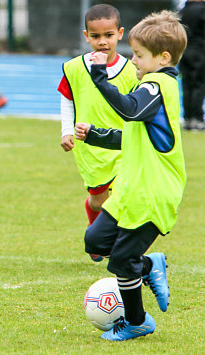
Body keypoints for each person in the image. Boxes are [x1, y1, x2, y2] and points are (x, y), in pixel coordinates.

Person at [75, 10, 187, 341]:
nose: (133, 60)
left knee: (122, 260)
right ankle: (150, 266)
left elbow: (129, 108)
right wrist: (96, 135)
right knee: (95, 241)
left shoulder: (158, 84)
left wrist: (99, 79)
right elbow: (133, 135)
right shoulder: (150, 86)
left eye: (139, 55)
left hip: (154, 191)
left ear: (163, 57)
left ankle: (137, 321)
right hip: (131, 189)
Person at [57, 4, 137, 255]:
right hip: (89, 146)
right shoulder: (75, 68)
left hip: (123, 144)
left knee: (124, 196)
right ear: (86, 36)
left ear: (120, 33)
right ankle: (95, 232)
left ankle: (117, 244)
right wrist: (66, 131)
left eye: (108, 35)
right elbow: (67, 99)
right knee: (99, 199)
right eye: (95, 36)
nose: (102, 42)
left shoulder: (133, 71)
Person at [179, 0, 205, 130]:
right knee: (199, 84)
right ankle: (197, 119)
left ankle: (187, 118)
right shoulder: (202, 9)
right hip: (200, 51)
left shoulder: (183, 10)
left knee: (186, 84)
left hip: (184, 51)